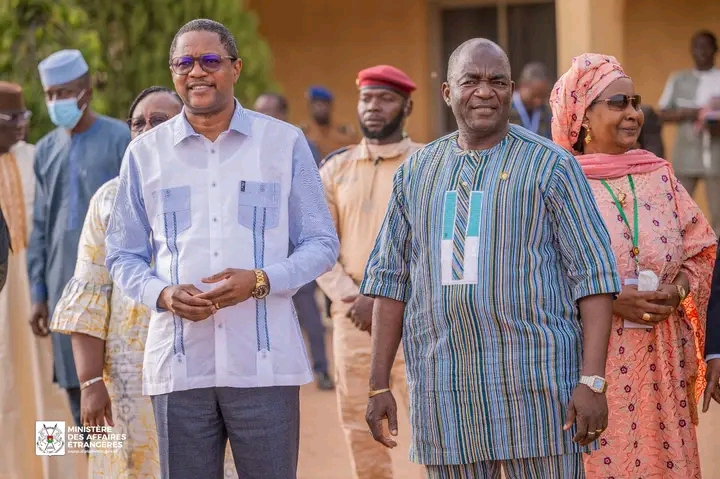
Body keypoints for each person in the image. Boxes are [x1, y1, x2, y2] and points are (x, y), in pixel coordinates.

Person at [361, 38, 621, 479]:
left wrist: (592, 380)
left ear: (511, 90)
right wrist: (378, 385)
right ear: (448, 92)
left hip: (539, 395)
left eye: (497, 81)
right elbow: (390, 282)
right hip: (447, 396)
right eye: (471, 81)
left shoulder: (552, 166)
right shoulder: (416, 173)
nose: (485, 91)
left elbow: (594, 279)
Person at [104, 19, 339, 479]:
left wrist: (262, 280)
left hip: (264, 366)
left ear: (236, 68)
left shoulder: (282, 143)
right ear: (173, 72)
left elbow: (321, 242)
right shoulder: (145, 154)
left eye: (210, 60)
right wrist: (163, 294)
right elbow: (121, 253)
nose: (197, 72)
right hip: (180, 366)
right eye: (184, 63)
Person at [50, 86, 239, 477]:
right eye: (139, 123)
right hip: (125, 378)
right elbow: (90, 291)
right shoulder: (108, 198)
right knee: (127, 464)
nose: (147, 130)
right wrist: (89, 382)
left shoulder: (218, 193)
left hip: (203, 365)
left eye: (160, 121)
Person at [550, 52, 717, 478]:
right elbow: (536, 274)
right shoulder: (559, 183)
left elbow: (702, 250)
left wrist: (677, 291)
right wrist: (607, 300)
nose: (633, 113)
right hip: (593, 362)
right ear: (582, 115)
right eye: (618, 103)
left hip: (662, 358)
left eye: (635, 102)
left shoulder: (659, 175)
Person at [316, 64, 422, 479]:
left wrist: (387, 297)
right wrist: (350, 296)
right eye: (367, 98)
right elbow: (318, 246)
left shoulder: (428, 164)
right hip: (355, 316)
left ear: (407, 107)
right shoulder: (334, 169)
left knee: (432, 422)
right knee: (361, 425)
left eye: (386, 99)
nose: (374, 107)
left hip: (418, 315)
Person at [27, 49, 131, 430]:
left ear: (86, 91)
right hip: (62, 290)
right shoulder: (45, 151)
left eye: (64, 92)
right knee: (82, 409)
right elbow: (41, 225)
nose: (56, 101)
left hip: (114, 291)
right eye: (50, 94)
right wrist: (38, 293)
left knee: (120, 403)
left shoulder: (121, 139)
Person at [253, 92, 333, 390]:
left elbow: (313, 201)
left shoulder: (300, 146)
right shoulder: (248, 148)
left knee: (308, 311)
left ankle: (321, 370)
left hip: (295, 247)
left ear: (283, 113)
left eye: (270, 111)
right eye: (259, 111)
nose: (264, 118)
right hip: (260, 250)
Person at [659, 30, 720, 232]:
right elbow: (663, 113)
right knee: (679, 211)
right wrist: (690, 113)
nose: (702, 51)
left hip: (716, 156)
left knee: (718, 214)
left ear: (715, 50)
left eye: (707, 46)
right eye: (697, 46)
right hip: (686, 154)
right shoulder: (679, 80)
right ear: (691, 50)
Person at [300, 86, 357, 158]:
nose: (320, 108)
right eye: (316, 104)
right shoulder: (303, 134)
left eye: (323, 104)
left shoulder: (344, 133)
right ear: (309, 106)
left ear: (331, 106)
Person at [509, 61, 553, 138]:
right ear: (522, 86)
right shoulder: (504, 109)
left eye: (543, 97)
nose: (538, 102)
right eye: (534, 96)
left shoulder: (547, 112)